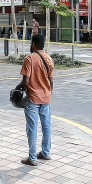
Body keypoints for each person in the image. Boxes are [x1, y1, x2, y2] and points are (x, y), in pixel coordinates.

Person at [19, 33, 54, 166]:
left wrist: (17, 88)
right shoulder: (49, 59)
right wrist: (48, 94)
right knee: (47, 126)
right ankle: (45, 153)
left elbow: (26, 82)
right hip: (46, 98)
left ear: (33, 44)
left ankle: (32, 158)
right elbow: (51, 81)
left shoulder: (29, 58)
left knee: (32, 128)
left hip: (33, 98)